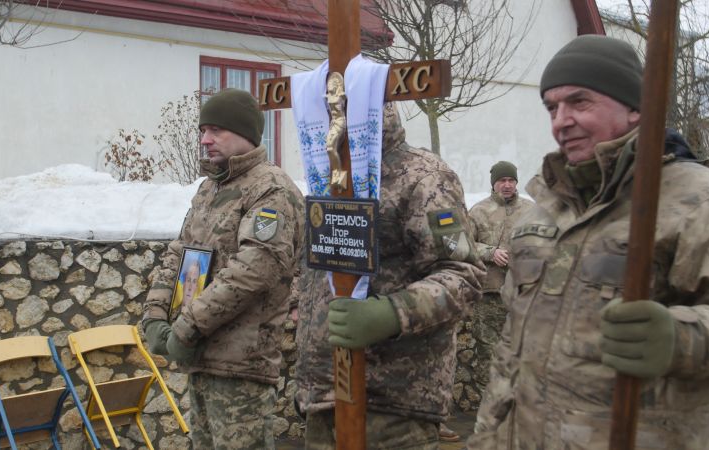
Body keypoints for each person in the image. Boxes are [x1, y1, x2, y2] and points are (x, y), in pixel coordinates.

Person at [469, 35, 709, 449]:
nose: (561, 120)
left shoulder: (701, 200)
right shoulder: (544, 209)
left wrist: (679, 338)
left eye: (579, 102)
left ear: (634, 108)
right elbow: (510, 353)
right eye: (552, 107)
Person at [294, 103, 486, 449]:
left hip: (393, 405)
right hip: (324, 398)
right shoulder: (331, 176)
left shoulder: (424, 176)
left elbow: (463, 275)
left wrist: (391, 313)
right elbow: (317, 269)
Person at [142, 88, 305, 449]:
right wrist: (155, 314)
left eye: (216, 130)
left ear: (246, 133)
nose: (205, 139)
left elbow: (253, 270)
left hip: (241, 365)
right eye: (203, 130)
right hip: (200, 356)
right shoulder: (208, 189)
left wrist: (186, 327)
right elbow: (179, 253)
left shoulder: (271, 188)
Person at [468, 161, 534, 390]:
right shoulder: (478, 211)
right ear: (493, 183)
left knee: (523, 351)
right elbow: (461, 244)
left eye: (511, 180)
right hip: (489, 294)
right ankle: (490, 405)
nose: (507, 185)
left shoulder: (531, 210)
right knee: (489, 352)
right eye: (502, 181)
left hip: (523, 293)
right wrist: (490, 252)